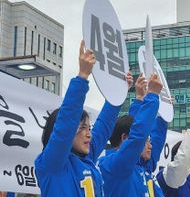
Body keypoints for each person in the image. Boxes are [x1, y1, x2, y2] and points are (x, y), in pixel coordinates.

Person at [34, 41, 133, 196]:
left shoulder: (88, 158)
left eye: (89, 128)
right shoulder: (51, 164)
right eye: (82, 128)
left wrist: (119, 92)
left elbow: (104, 125)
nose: (89, 134)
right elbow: (65, 124)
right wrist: (82, 76)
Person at [99, 73, 164, 197]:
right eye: (145, 141)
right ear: (123, 138)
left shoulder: (138, 165)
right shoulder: (114, 164)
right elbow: (137, 134)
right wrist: (152, 97)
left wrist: (140, 98)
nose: (149, 146)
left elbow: (135, 127)